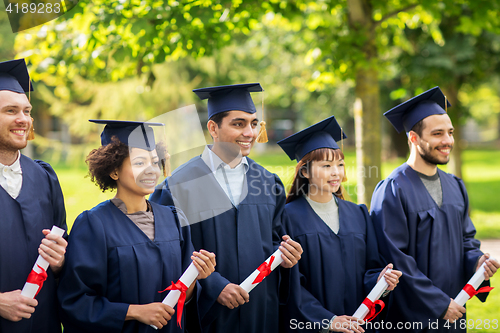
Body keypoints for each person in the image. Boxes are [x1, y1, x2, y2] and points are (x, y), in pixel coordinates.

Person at [150, 83, 303, 333]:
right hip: (207, 314)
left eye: (253, 124)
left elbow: (274, 239)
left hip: (259, 312)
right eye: (238, 124)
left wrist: (285, 255)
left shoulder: (267, 182)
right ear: (213, 128)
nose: (250, 133)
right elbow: (168, 252)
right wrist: (213, 285)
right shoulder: (178, 185)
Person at [57, 120, 216, 333]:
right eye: (139, 163)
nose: (151, 170)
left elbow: (183, 296)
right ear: (114, 171)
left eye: (154, 162)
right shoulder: (94, 225)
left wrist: (197, 278)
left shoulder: (174, 219)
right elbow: (75, 300)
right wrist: (133, 311)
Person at [370, 87, 499, 332]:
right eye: (438, 133)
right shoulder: (393, 190)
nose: (447, 141)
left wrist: (477, 262)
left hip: (454, 312)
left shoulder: (455, 185)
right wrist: (440, 304)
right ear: (414, 138)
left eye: (450, 132)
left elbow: (466, 241)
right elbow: (396, 260)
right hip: (411, 318)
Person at [277, 116, 401, 333]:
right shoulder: (287, 217)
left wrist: (380, 280)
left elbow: (371, 267)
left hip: (358, 324)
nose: (336, 172)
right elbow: (291, 284)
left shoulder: (358, 214)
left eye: (340, 165)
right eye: (326, 166)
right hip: (313, 325)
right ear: (304, 172)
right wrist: (328, 320)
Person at [0, 58, 67, 333]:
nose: (23, 120)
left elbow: (65, 253)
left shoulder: (44, 177)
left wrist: (61, 260)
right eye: (11, 110)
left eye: (26, 111)